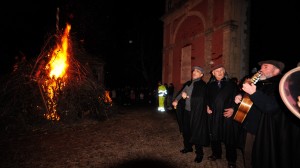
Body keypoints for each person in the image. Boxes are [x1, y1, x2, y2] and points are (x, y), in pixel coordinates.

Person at [235, 60, 300, 168]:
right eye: (261, 67)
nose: (261, 69)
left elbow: (271, 107)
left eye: (265, 67)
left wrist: (254, 93)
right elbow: (250, 97)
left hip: (266, 132)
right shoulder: (262, 83)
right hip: (251, 127)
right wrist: (241, 96)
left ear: (276, 70)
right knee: (247, 155)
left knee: (261, 159)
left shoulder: (281, 86)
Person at [172, 66, 209, 163]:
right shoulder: (188, 83)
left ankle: (199, 154)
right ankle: (188, 147)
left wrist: (187, 97)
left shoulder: (203, 85)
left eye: (197, 71)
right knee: (186, 130)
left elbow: (201, 100)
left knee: (196, 132)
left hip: (196, 113)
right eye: (194, 71)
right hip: (187, 112)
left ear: (201, 75)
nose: (194, 72)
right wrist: (176, 100)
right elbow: (181, 94)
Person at [206, 64, 240, 168]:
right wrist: (207, 106)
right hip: (214, 114)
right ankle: (216, 154)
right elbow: (206, 98)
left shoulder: (231, 84)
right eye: (217, 71)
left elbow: (238, 98)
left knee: (229, 138)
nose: (220, 72)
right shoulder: (209, 86)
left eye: (221, 70)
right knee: (214, 136)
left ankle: (231, 160)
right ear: (213, 73)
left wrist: (233, 109)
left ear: (224, 72)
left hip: (227, 114)